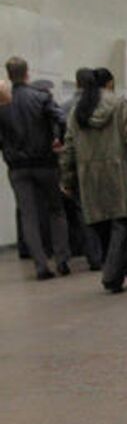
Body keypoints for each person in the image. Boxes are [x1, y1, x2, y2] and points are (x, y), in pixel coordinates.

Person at [59, 68, 127, 293]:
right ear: (109, 84)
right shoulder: (121, 105)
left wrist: (67, 179)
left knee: (102, 227)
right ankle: (112, 276)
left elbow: (68, 147)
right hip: (119, 174)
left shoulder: (77, 111)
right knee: (120, 225)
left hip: (88, 177)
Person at [0, 55, 71, 280]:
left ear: (9, 76)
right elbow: (61, 118)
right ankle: (62, 260)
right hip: (45, 164)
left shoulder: (3, 105)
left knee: (28, 215)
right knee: (56, 210)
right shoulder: (41, 97)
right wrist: (58, 139)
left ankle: (40, 265)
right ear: (27, 72)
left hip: (17, 168)